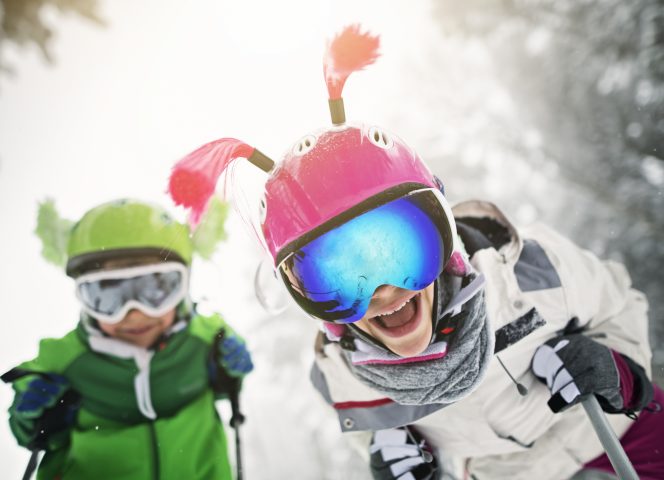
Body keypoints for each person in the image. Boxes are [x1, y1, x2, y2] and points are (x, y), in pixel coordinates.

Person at [167, 25, 662, 479]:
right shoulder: (339, 375)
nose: (384, 290)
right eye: (335, 280)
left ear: (445, 238)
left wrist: (622, 373)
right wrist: (395, 462)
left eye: (400, 250)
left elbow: (620, 306)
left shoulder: (530, 272)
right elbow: (371, 431)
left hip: (625, 437)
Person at [4, 198, 253, 479]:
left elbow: (226, 386)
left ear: (183, 289)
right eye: (108, 295)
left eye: (156, 289)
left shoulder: (205, 341)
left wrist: (228, 371)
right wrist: (31, 416)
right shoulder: (62, 360)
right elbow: (27, 433)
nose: (134, 315)